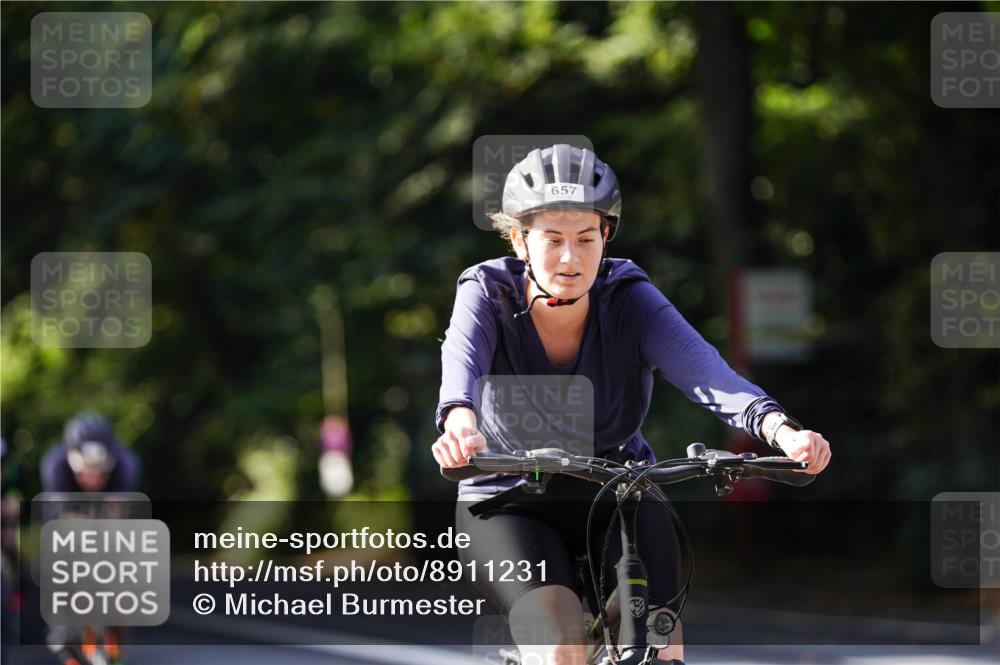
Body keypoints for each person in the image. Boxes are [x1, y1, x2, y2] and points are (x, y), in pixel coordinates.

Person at [434, 144, 831, 665]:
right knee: (559, 649)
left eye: (585, 238)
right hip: (509, 497)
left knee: (661, 647)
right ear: (519, 239)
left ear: (606, 237)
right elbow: (460, 367)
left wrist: (782, 431)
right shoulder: (486, 292)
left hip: (619, 491)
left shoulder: (628, 297)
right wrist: (459, 424)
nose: (570, 258)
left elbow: (707, 373)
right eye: (552, 239)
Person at [40, 411, 141, 665]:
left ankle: (115, 641)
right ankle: (64, 632)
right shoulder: (55, 467)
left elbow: (121, 514)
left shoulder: (125, 465)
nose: (93, 478)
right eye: (85, 471)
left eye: (100, 471)